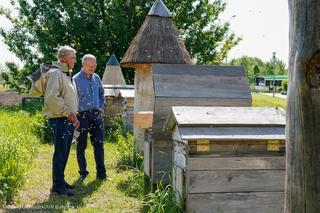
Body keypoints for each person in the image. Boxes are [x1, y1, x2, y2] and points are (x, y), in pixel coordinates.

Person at [44, 45, 80, 196]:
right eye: (73, 57)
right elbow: (52, 98)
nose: (75, 61)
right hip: (59, 120)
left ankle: (60, 181)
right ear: (63, 58)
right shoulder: (55, 73)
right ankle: (57, 186)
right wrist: (68, 113)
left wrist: (74, 117)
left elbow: (70, 98)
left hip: (67, 119)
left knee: (64, 152)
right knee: (60, 152)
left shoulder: (66, 74)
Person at [73, 54, 107, 181]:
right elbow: (72, 99)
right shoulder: (75, 79)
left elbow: (101, 94)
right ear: (83, 65)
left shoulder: (96, 77)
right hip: (81, 115)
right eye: (90, 66)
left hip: (96, 114)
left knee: (99, 144)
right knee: (81, 145)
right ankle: (83, 172)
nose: (93, 68)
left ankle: (102, 174)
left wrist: (101, 106)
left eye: (94, 66)